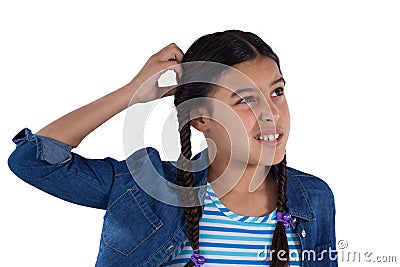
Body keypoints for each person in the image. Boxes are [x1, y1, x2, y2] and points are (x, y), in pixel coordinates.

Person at [8, 30, 337, 266]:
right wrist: (132, 91)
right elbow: (32, 161)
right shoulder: (145, 189)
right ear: (199, 118)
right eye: (246, 100)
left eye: (277, 92)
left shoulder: (314, 198)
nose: (272, 114)